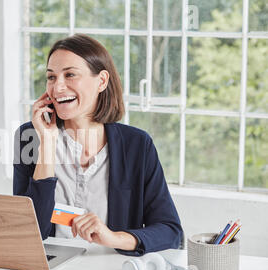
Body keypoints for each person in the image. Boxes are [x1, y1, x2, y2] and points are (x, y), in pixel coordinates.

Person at [13, 34, 182, 256]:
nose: (58, 87)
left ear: (102, 81)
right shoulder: (30, 136)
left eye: (70, 75)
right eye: (51, 77)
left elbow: (171, 232)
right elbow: (27, 233)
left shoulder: (137, 145)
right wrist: (47, 143)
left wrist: (114, 237)